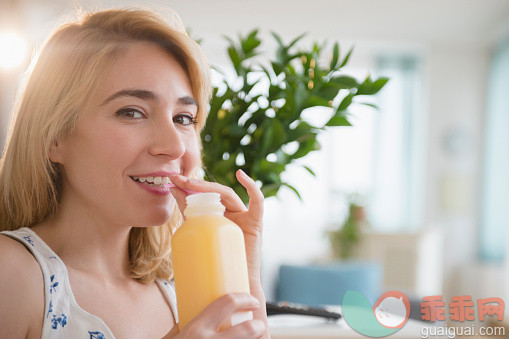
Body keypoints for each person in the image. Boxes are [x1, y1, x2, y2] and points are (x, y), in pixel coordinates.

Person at [0, 7, 269, 339]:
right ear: (54, 137)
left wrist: (244, 279)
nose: (175, 146)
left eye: (184, 118)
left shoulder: (175, 290)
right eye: (132, 112)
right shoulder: (12, 274)